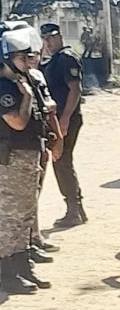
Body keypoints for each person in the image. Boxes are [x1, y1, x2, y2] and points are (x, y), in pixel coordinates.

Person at [0, 24, 56, 293]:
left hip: (28, 156)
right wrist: (26, 98)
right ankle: (7, 273)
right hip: (11, 160)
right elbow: (18, 123)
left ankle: (22, 265)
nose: (28, 61)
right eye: (22, 57)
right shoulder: (5, 87)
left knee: (25, 214)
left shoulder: (23, 82)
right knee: (10, 218)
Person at [40, 23, 86, 228]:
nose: (48, 42)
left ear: (59, 37)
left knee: (62, 161)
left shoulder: (66, 58)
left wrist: (65, 118)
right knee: (63, 161)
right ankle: (77, 209)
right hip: (57, 119)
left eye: (51, 38)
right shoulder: (53, 60)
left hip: (66, 118)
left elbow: (75, 89)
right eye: (45, 39)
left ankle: (73, 210)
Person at [27, 29, 62, 255]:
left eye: (36, 54)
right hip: (17, 148)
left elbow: (50, 110)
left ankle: (34, 238)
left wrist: (57, 137)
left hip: (38, 143)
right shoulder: (9, 81)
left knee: (34, 193)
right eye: (28, 56)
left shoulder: (38, 78)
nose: (34, 59)